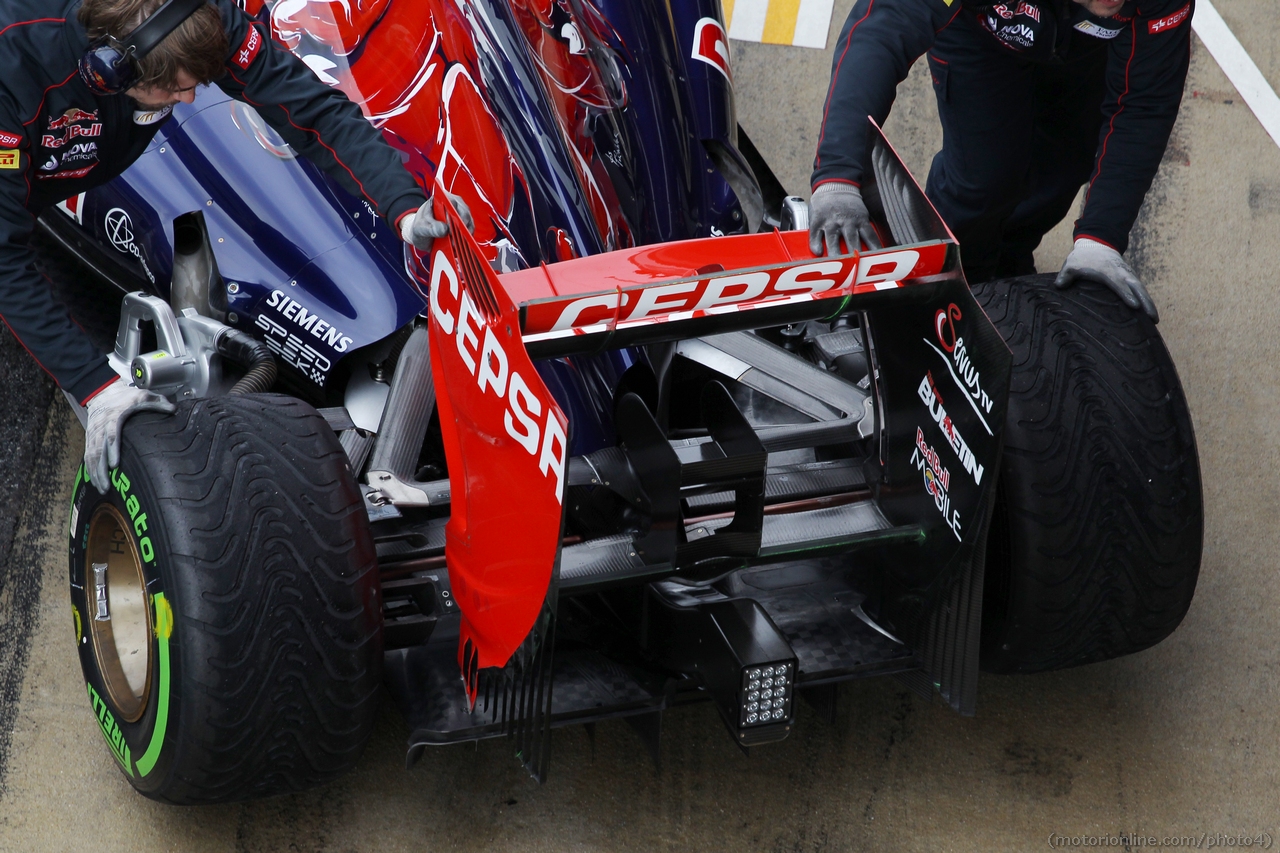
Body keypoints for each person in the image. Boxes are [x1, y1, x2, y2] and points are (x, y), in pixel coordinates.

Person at [0, 0, 466, 494]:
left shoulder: (204, 16)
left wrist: (404, 206)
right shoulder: (16, 68)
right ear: (110, 71)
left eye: (197, 85)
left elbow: (311, 108)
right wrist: (95, 385)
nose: (187, 100)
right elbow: (5, 260)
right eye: (175, 89)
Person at [808, 0, 1193, 322]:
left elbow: (1144, 104)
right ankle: (952, 282)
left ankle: (1008, 265)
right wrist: (838, 177)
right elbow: (885, 27)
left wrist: (1100, 239)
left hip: (1084, 53)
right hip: (979, 32)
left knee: (1063, 168)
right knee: (982, 179)